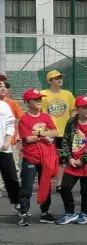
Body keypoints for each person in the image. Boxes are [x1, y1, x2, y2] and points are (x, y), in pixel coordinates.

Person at [17, 88, 60, 226]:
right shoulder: (25, 119)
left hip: (45, 158)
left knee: (45, 185)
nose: (39, 101)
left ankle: (44, 213)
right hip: (31, 157)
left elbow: (55, 132)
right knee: (27, 187)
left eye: (40, 99)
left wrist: (40, 134)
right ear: (27, 102)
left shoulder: (46, 117)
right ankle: (24, 213)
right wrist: (44, 134)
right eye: (35, 99)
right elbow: (28, 139)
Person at [57, 95, 87, 225]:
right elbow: (65, 141)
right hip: (72, 162)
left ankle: (84, 213)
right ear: (78, 108)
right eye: (85, 107)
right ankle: (70, 212)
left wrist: (83, 160)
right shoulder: (71, 123)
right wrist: (70, 158)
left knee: (86, 191)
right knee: (64, 187)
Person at [41, 69, 76, 192]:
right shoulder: (43, 95)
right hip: (49, 133)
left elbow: (73, 112)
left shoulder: (68, 95)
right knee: (48, 161)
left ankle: (59, 184)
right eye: (56, 78)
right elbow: (41, 115)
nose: (60, 80)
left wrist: (74, 128)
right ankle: (46, 183)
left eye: (60, 77)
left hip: (64, 132)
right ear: (50, 81)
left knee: (62, 160)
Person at [0, 80, 18, 214]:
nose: (1, 87)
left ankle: (17, 204)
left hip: (4, 148)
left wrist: (7, 139)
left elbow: (11, 123)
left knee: (11, 177)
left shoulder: (5, 105)